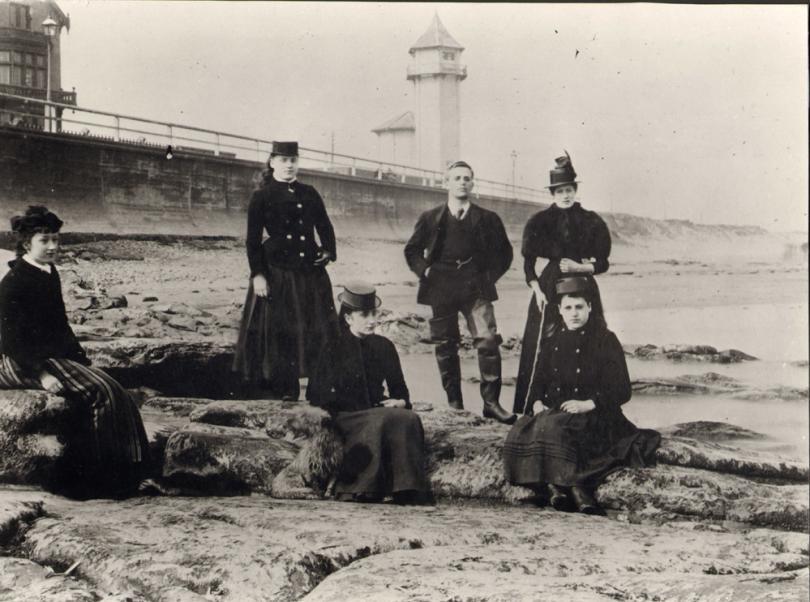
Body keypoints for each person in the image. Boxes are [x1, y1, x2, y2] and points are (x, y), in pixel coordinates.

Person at [0, 206, 150, 499]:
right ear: (26, 243)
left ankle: (136, 473)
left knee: (117, 390)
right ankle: (104, 479)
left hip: (47, 356)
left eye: (56, 239)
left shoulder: (47, 272)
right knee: (102, 392)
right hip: (18, 361)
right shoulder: (15, 281)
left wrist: (81, 359)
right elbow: (9, 339)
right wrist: (41, 375)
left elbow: (59, 325)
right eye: (45, 240)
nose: (53, 246)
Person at [503, 276, 660, 515]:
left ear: (590, 307)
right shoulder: (551, 341)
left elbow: (622, 389)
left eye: (579, 307)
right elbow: (538, 382)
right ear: (559, 311)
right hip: (559, 413)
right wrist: (535, 402)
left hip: (598, 414)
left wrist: (589, 403)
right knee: (521, 431)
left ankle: (573, 487)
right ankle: (556, 486)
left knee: (559, 430)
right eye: (568, 308)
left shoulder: (606, 340)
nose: (574, 313)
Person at [404, 160, 515, 424]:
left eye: (467, 178)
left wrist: (488, 278)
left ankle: (491, 404)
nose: (462, 182)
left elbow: (505, 253)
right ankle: (455, 403)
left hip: (475, 288)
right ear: (446, 183)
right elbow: (412, 250)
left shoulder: (488, 218)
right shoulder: (430, 217)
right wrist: (426, 272)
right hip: (440, 288)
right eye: (457, 178)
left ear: (472, 182)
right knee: (445, 344)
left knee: (487, 340)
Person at [233, 141, 339, 401]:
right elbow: (252, 240)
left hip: (311, 274)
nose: (289, 165)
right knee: (282, 334)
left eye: (293, 160)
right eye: (283, 160)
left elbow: (324, 225)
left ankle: (319, 392)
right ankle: (285, 392)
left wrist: (328, 250)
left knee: (320, 331)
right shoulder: (262, 195)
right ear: (272, 163)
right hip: (278, 274)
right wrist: (258, 275)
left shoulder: (310, 192)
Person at [308, 282, 430, 504]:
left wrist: (401, 402)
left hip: (378, 410)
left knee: (409, 418)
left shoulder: (384, 346)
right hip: (344, 416)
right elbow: (315, 394)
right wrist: (350, 406)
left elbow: (400, 388)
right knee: (380, 421)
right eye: (364, 315)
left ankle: (408, 489)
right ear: (348, 318)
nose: (373, 320)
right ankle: (358, 489)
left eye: (374, 313)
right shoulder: (331, 346)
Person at [513, 152, 612, 414]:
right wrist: (536, 290)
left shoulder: (591, 220)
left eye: (569, 190)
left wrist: (581, 267)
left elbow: (603, 263)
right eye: (559, 191)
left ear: (575, 190)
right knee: (542, 341)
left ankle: (590, 402)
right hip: (548, 286)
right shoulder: (540, 221)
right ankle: (533, 405)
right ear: (552, 194)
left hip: (583, 283)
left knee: (590, 334)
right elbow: (528, 264)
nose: (565, 195)